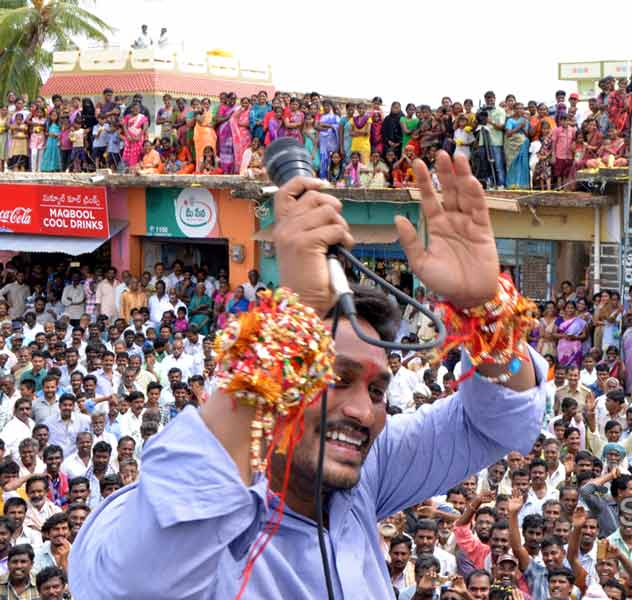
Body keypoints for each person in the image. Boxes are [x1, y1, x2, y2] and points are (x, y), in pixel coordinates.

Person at [70, 151, 546, 598]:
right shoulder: (156, 513)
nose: (363, 411)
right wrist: (294, 319)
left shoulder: (366, 475)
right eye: (336, 378)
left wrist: (485, 310)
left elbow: (499, 423)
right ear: (276, 377)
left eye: (378, 389)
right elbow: (133, 584)